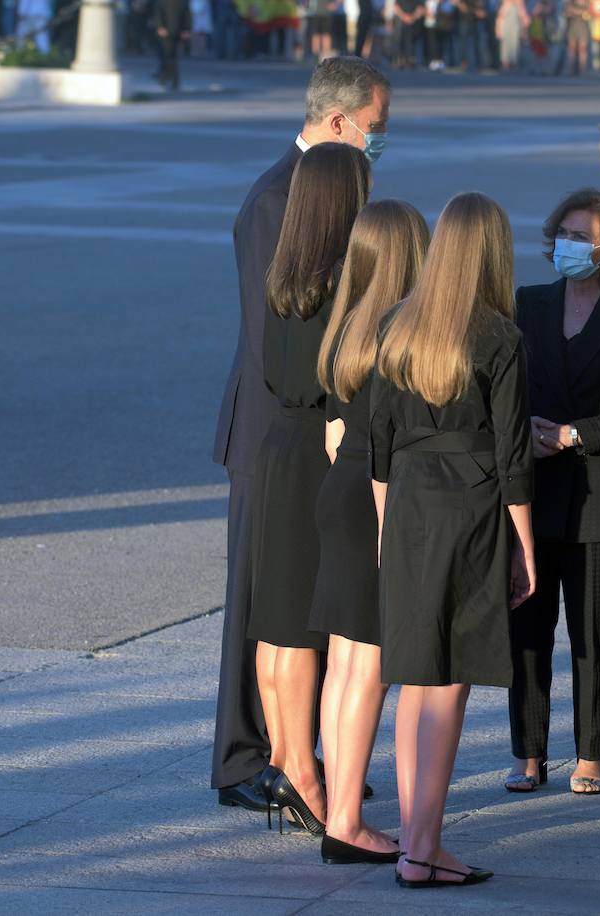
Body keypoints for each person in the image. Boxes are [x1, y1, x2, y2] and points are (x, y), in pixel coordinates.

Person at [212, 56, 390, 816]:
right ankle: (248, 760)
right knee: (266, 608)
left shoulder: (325, 191)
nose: (382, 143)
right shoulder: (277, 198)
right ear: (340, 121)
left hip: (305, 427)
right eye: (377, 129)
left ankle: (303, 753)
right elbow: (272, 337)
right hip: (276, 430)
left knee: (294, 607)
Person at [371, 192, 537, 889]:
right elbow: (514, 455)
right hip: (471, 504)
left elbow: (377, 444)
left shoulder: (395, 325)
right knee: (451, 682)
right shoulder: (500, 336)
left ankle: (416, 838)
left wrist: (387, 531)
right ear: (493, 254)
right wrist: (523, 546)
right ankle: (423, 847)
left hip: (408, 500)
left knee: (416, 677)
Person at [505, 189, 600, 796]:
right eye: (562, 233)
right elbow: (506, 384)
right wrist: (530, 433)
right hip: (534, 488)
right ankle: (529, 752)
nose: (566, 245)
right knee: (528, 626)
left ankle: (591, 752)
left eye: (580, 235)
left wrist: (574, 435)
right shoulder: (529, 303)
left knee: (595, 633)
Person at [250, 143, 371, 835]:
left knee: (275, 625)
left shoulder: (283, 278)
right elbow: (341, 392)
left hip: (277, 445)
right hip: (317, 450)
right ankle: (300, 771)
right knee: (299, 629)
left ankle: (284, 759)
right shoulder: (340, 287)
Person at [309, 199, 429, 864]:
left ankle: (341, 810)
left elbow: (333, 437)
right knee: (372, 665)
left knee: (344, 664)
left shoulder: (346, 326)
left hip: (340, 488)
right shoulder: (403, 329)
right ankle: (349, 820)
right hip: (381, 496)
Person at [153, 0, 192, 90]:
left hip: (176, 32)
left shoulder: (183, 2)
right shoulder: (162, 2)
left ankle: (170, 79)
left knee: (171, 57)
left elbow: (187, 15)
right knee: (166, 56)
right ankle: (168, 78)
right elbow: (157, 13)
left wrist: (186, 29)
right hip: (165, 33)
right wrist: (160, 27)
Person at [495, 0, 528, 72]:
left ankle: (513, 63)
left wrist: (525, 26)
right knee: (505, 44)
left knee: (515, 43)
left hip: (516, 23)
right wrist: (498, 29)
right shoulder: (505, 4)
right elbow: (500, 15)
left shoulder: (519, 4)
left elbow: (523, 15)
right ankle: (505, 63)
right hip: (506, 23)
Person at [564, 0, 591, 76]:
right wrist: (580, 12)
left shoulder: (587, 2)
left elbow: (589, 13)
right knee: (571, 49)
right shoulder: (570, 2)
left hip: (583, 27)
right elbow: (567, 12)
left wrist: (575, 12)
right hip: (572, 26)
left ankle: (582, 70)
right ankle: (571, 69)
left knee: (582, 49)